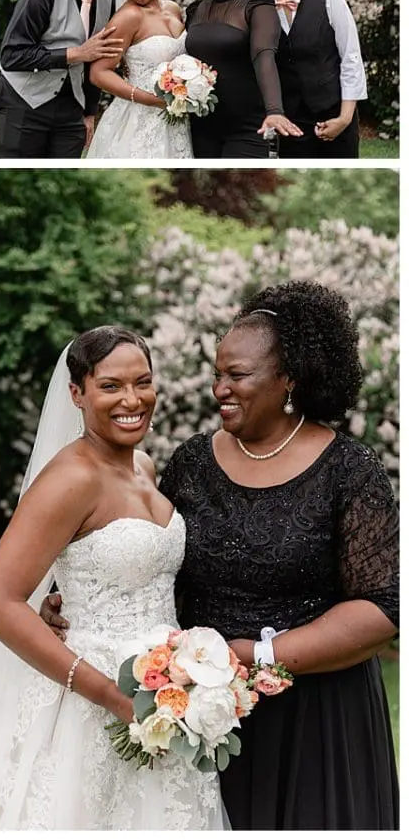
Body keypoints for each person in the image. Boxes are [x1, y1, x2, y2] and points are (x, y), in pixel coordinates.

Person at [45, 284, 398, 828]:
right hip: (202, 720)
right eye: (217, 374)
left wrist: (255, 655)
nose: (220, 389)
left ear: (290, 379)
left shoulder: (350, 470)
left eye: (238, 375)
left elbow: (383, 609)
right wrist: (69, 599)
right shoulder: (191, 462)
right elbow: (153, 563)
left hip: (318, 720)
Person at [0, 327, 226, 829]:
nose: (132, 399)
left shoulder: (143, 464)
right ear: (77, 393)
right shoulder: (70, 478)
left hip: (167, 694)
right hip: (93, 704)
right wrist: (110, 694)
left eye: (142, 382)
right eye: (110, 386)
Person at [0, 0, 124, 157]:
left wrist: (89, 112)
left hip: (71, 106)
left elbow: (99, 58)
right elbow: (11, 56)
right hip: (23, 101)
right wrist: (76, 54)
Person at [247, 0, 367, 158]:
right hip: (291, 124)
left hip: (335, 113)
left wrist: (344, 118)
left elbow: (351, 57)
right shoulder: (255, 7)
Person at [185, 0, 303, 157]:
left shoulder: (258, 6)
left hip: (246, 126)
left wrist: (275, 110)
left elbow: (263, 55)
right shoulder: (194, 10)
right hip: (201, 126)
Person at [83, 0, 191, 158]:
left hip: (176, 115)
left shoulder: (173, 9)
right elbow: (98, 73)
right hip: (137, 117)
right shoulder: (127, 18)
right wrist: (149, 99)